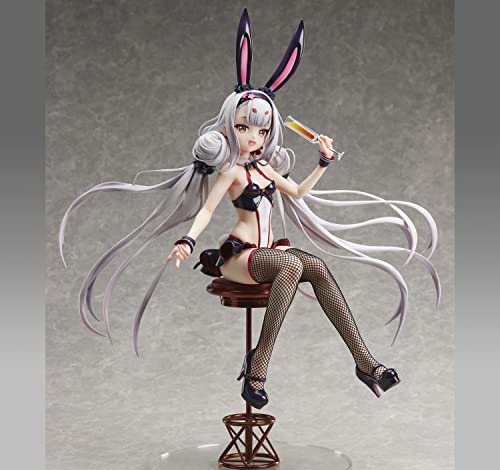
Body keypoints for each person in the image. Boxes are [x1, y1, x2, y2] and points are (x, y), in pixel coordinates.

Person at [59, 9, 440, 410]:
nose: (253, 137)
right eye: (243, 128)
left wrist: (324, 161)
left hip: (268, 252)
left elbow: (298, 192)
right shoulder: (232, 172)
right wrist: (188, 240)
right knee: (291, 266)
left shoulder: (267, 169)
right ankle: (258, 365)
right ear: (230, 126)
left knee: (315, 266)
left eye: (261, 130)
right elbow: (206, 211)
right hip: (239, 257)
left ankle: (365, 363)